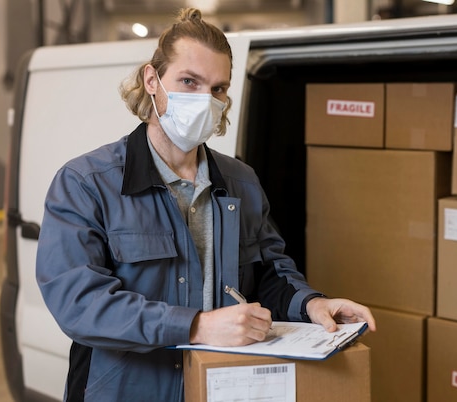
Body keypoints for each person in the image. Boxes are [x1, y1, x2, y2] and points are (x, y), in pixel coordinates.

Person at [36, 7, 376, 402]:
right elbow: (79, 303)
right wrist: (195, 326)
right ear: (152, 80)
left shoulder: (240, 182)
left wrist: (312, 304)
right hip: (124, 391)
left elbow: (269, 272)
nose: (205, 100)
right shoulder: (86, 183)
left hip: (221, 387)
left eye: (217, 89)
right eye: (188, 81)